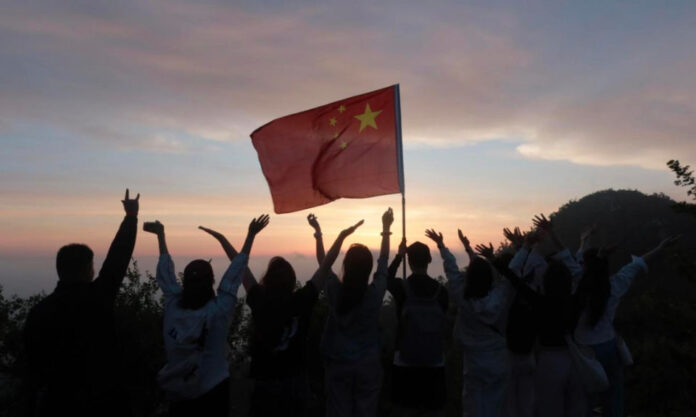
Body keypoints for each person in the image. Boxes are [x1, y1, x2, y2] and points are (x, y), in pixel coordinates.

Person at [23, 189, 140, 417]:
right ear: (89, 269)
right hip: (103, 402)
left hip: (57, 404)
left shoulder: (39, 312)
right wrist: (131, 217)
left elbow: (32, 369)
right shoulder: (98, 298)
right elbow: (119, 257)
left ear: (59, 269)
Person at [199, 213, 325, 417]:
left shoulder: (259, 298)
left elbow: (240, 267)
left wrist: (240, 236)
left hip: (264, 381)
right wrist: (318, 233)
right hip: (295, 382)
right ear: (292, 279)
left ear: (267, 278)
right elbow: (325, 267)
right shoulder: (301, 300)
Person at [145, 214, 269, 417]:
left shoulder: (173, 306)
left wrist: (160, 236)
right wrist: (250, 236)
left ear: (184, 282)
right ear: (211, 281)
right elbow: (234, 275)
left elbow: (166, 274)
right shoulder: (218, 312)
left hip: (179, 392)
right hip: (213, 392)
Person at [574, 235, 680, 417]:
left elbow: (577, 266)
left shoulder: (576, 288)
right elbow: (636, 265)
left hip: (584, 352)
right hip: (609, 347)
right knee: (614, 396)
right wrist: (660, 247)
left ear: (585, 267)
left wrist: (585, 243)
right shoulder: (615, 285)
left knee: (584, 400)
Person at [503, 214, 586, 417]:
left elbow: (514, 277)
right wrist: (551, 234)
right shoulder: (577, 300)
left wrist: (523, 247)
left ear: (546, 281)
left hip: (548, 360)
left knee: (548, 408)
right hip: (576, 360)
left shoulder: (540, 302)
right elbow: (574, 264)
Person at [426, 228, 513, 417]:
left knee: (473, 405)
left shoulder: (462, 296)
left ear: (470, 277)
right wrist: (519, 249)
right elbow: (508, 278)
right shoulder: (500, 297)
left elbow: (452, 270)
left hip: (473, 361)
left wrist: (441, 245)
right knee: (496, 404)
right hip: (498, 359)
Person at [319, 208, 393, 417]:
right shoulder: (375, 294)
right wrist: (386, 229)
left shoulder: (334, 291)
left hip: (338, 365)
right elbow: (384, 262)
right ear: (368, 268)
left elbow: (323, 264)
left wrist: (325, 235)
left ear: (346, 266)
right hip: (368, 365)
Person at [386, 238, 449, 416]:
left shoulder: (401, 287)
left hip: (405, 362)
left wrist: (399, 255)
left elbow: (386, 277)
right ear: (429, 260)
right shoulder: (441, 291)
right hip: (434, 361)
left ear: (409, 260)